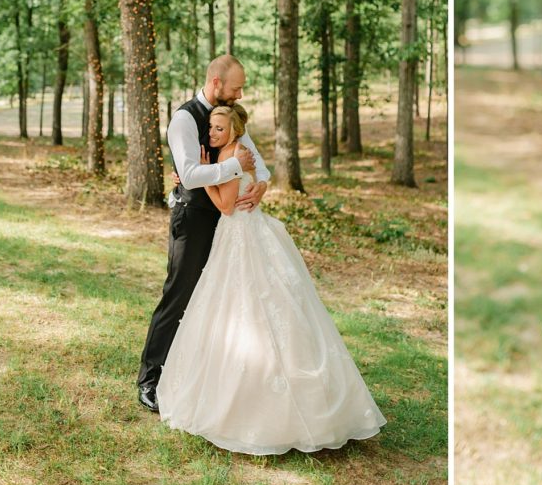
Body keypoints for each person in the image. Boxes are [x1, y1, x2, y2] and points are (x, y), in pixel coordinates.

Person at [157, 104, 386, 454]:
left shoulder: (235, 156)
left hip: (239, 233)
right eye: (211, 128)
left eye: (220, 128)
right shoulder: (231, 154)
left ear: (234, 130)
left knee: (249, 304)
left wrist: (205, 173)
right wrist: (203, 172)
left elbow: (226, 207)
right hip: (242, 233)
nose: (213, 133)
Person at [137, 55, 269, 413]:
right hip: (193, 219)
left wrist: (262, 186)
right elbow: (190, 174)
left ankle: (201, 375)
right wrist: (232, 167)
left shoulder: (231, 116)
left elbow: (258, 162)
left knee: (218, 300)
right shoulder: (184, 119)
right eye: (236, 87)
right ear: (215, 83)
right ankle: (150, 379)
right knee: (178, 297)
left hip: (230, 225)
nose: (240, 93)